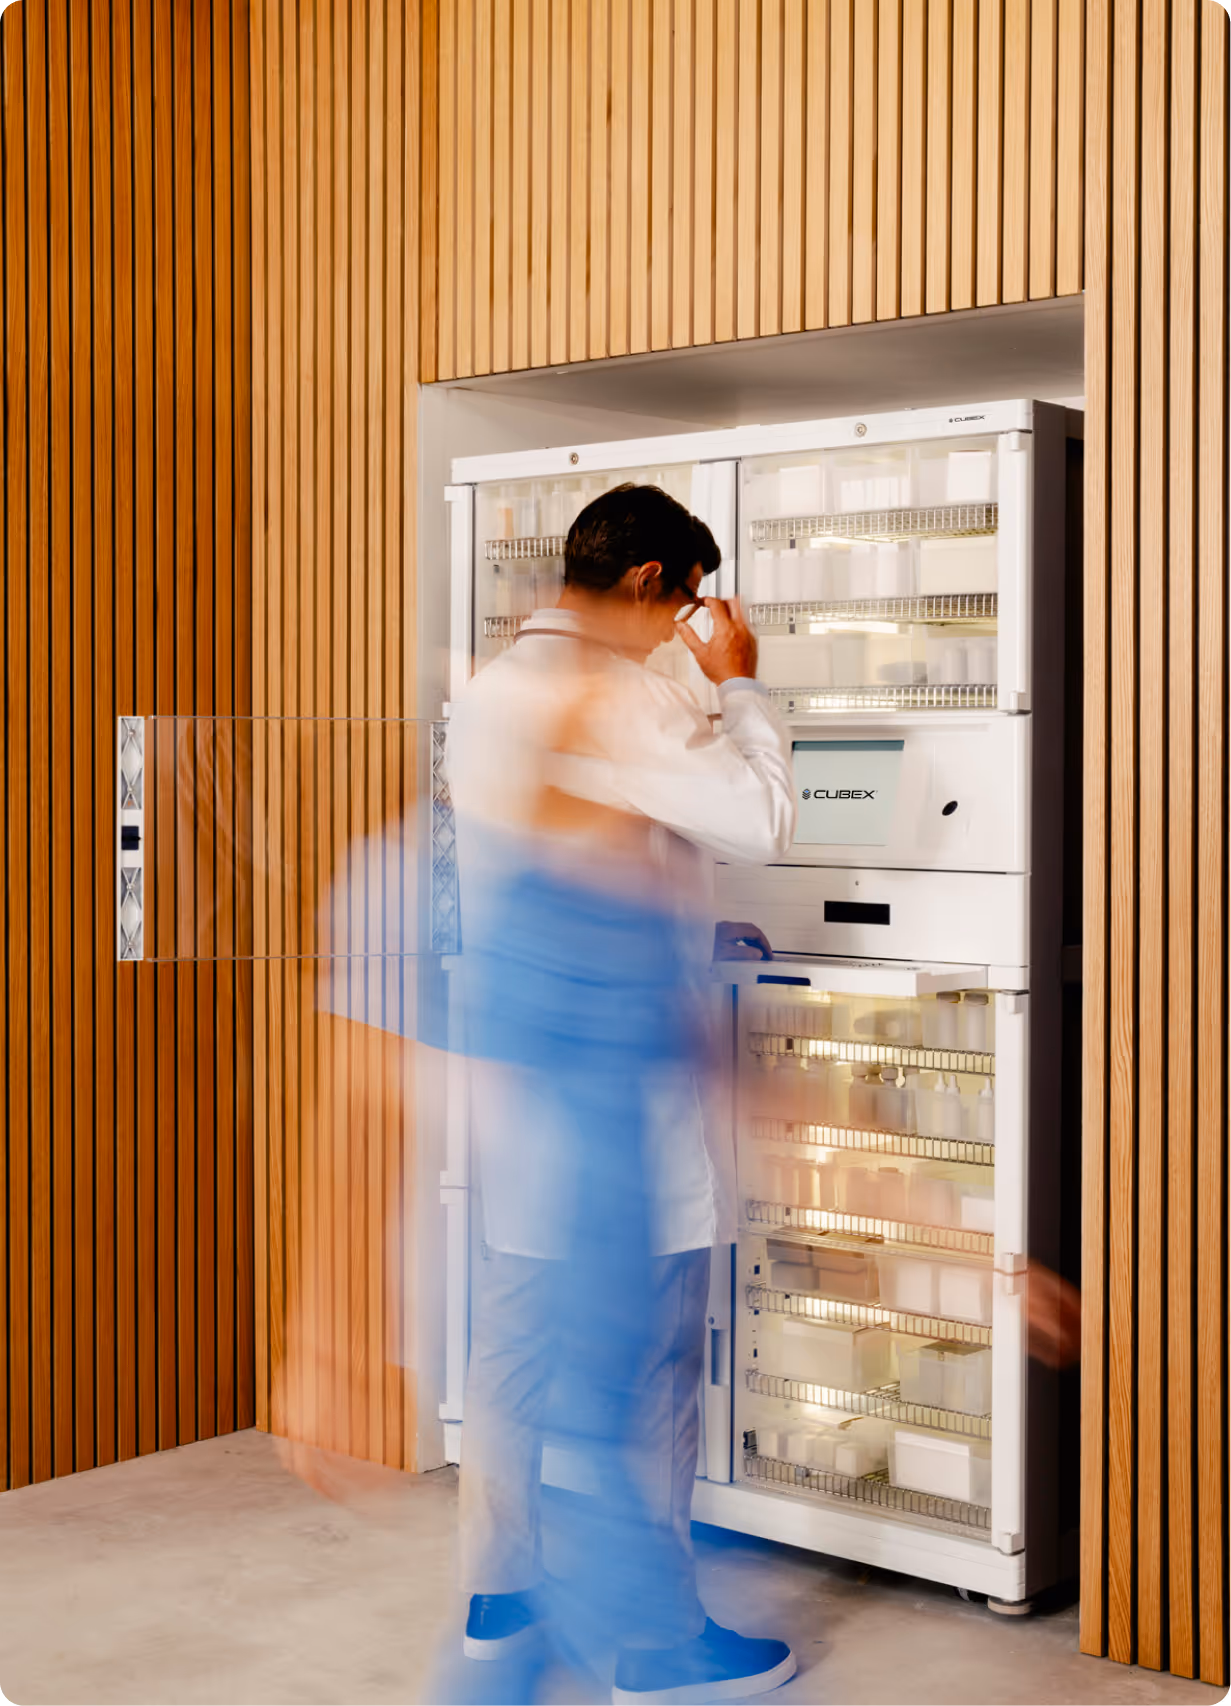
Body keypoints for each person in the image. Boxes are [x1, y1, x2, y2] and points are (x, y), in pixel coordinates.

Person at [445, 484, 798, 1703]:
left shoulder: (493, 686)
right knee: (652, 1369)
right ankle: (659, 1644)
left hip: (520, 1070)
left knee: (513, 1351)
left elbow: (581, 853)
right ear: (651, 580)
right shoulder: (626, 690)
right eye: (687, 601)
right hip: (622, 1088)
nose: (686, 626)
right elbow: (760, 817)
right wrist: (738, 683)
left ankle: (500, 1598)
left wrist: (689, 920)